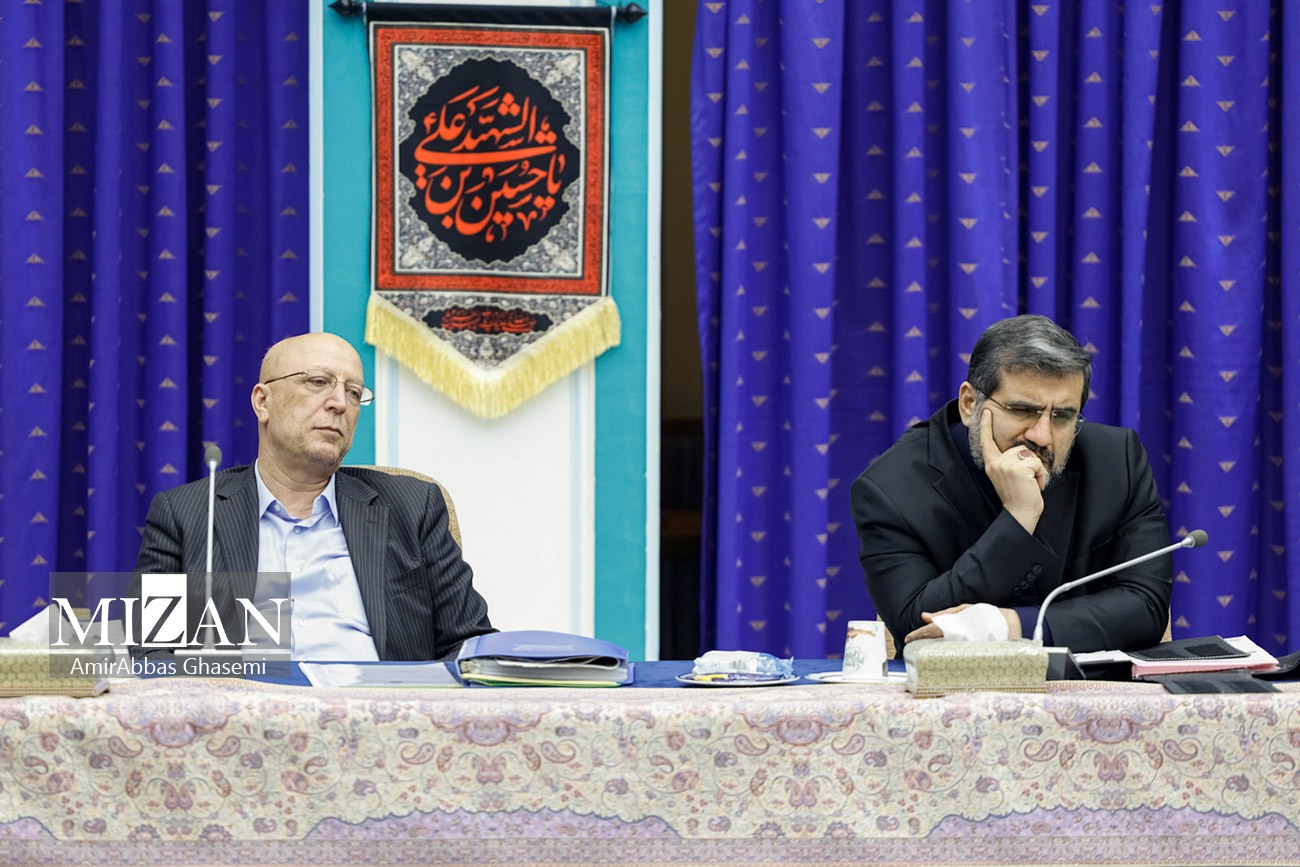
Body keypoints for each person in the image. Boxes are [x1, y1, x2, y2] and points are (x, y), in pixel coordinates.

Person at [133, 332, 493, 660]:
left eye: (354, 393)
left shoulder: (412, 507)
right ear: (263, 402)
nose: (340, 403)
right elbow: (148, 652)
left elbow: (470, 645)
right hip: (245, 705)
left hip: (378, 704)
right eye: (318, 382)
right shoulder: (186, 513)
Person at [850, 315, 1172, 655]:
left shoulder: (1118, 461)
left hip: (1095, 684)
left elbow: (1146, 604)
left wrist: (1011, 626)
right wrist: (1018, 518)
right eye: (1022, 410)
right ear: (970, 404)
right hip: (957, 686)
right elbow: (917, 627)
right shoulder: (890, 490)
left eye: (1062, 416)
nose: (1042, 436)